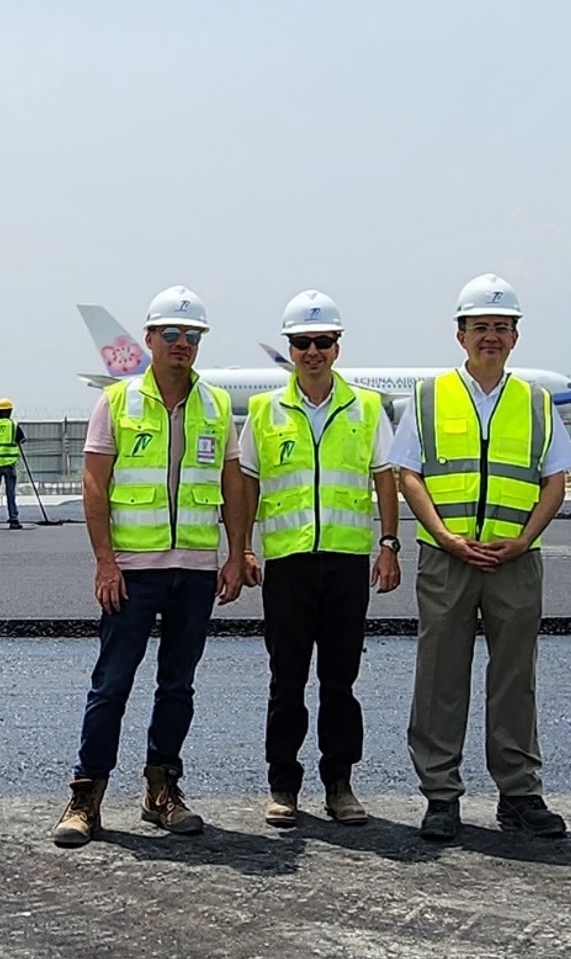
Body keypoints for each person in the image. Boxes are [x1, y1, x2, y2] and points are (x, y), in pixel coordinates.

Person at [50, 285, 240, 848]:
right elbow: (94, 483)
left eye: (192, 336)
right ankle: (86, 797)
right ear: (151, 339)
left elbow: (231, 481)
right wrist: (105, 562)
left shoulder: (218, 404)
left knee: (178, 686)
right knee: (111, 684)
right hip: (133, 569)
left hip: (196, 569)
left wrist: (237, 552)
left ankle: (162, 791)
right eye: (172, 334)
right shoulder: (116, 401)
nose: (182, 344)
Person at [394, 273, 571, 843]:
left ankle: (519, 792)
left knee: (514, 678)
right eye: (481, 327)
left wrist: (523, 539)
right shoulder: (427, 398)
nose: (491, 337)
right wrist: (445, 537)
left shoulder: (536, 402)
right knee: (439, 678)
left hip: (514, 560)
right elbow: (409, 475)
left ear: (515, 336)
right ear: (460, 334)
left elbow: (555, 480)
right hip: (447, 559)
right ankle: (441, 795)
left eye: (501, 327)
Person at [228, 290, 402, 829]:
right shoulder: (264, 410)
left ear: (337, 346)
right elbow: (247, 482)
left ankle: (340, 784)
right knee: (286, 679)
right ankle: (283, 785)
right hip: (287, 564)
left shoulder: (367, 408)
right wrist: (244, 549)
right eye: (302, 342)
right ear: (291, 347)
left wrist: (390, 545)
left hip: (347, 562)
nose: (312, 351)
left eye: (322, 341)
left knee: (340, 680)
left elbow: (385, 477)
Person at [0, 397, 26, 530]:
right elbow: (22, 439)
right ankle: (13, 519)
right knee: (10, 494)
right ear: (10, 411)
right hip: (9, 464)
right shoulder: (13, 425)